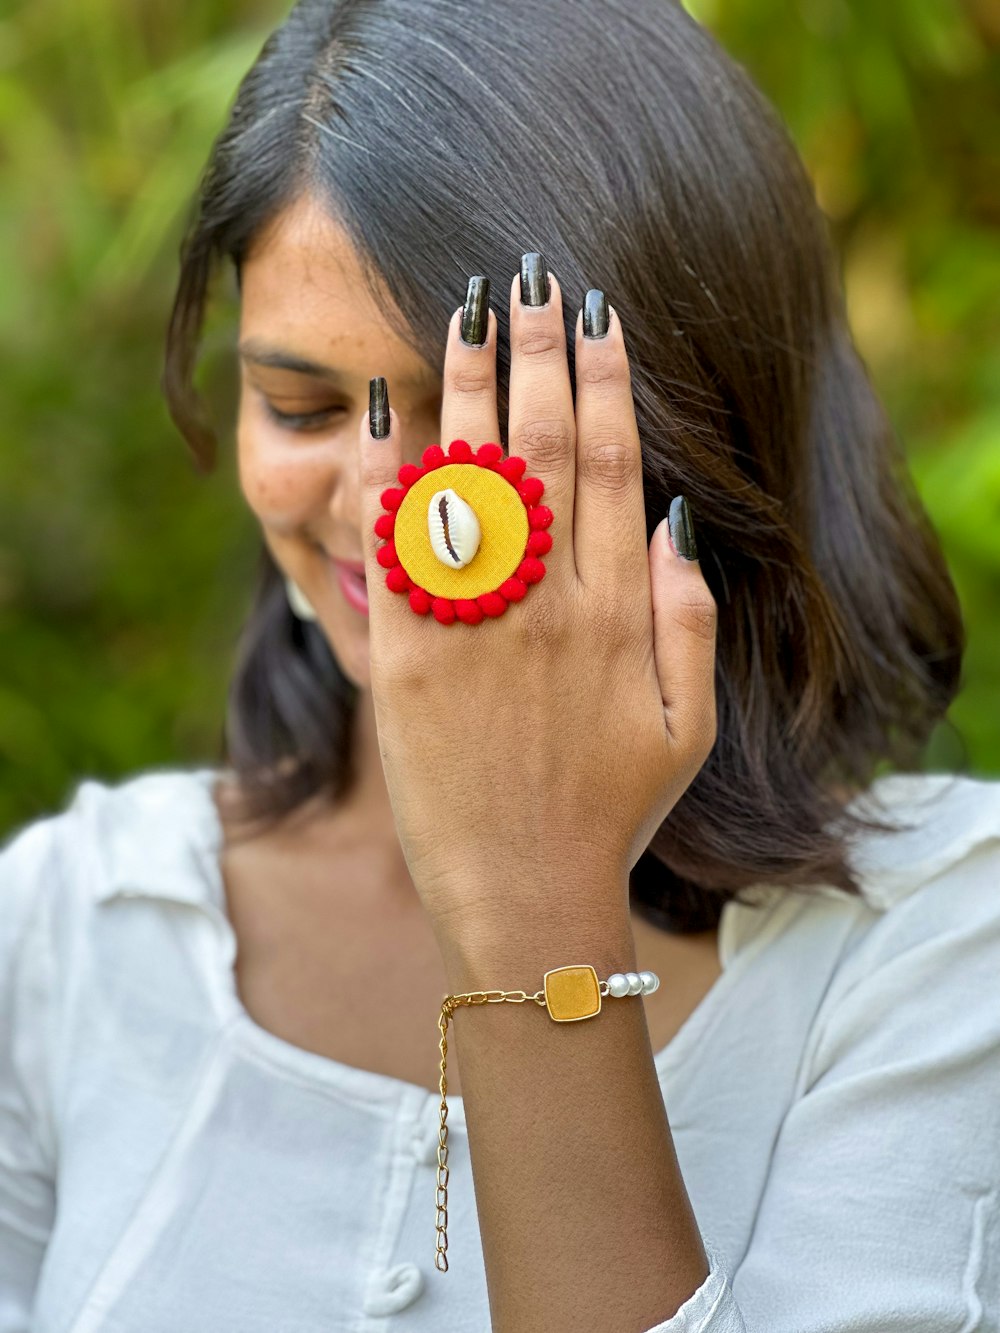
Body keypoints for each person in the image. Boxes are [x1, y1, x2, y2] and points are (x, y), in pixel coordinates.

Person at [2, 0, 998, 1328]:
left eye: (496, 423)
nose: (389, 506)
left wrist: (535, 903)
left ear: (693, 424)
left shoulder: (939, 945)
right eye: (300, 407)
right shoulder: (80, 923)